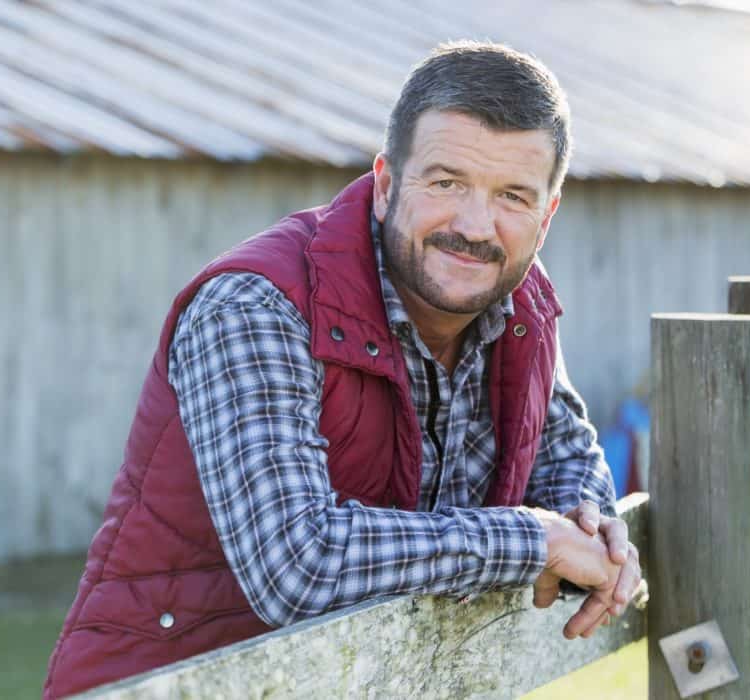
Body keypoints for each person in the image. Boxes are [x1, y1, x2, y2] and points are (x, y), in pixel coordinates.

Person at [41, 41, 642, 699]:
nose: (474, 225)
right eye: (446, 182)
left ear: (546, 215)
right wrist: (534, 539)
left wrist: (591, 526)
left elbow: (563, 451)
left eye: (513, 197)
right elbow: (297, 565)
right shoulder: (254, 305)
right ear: (385, 185)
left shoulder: (514, 296)